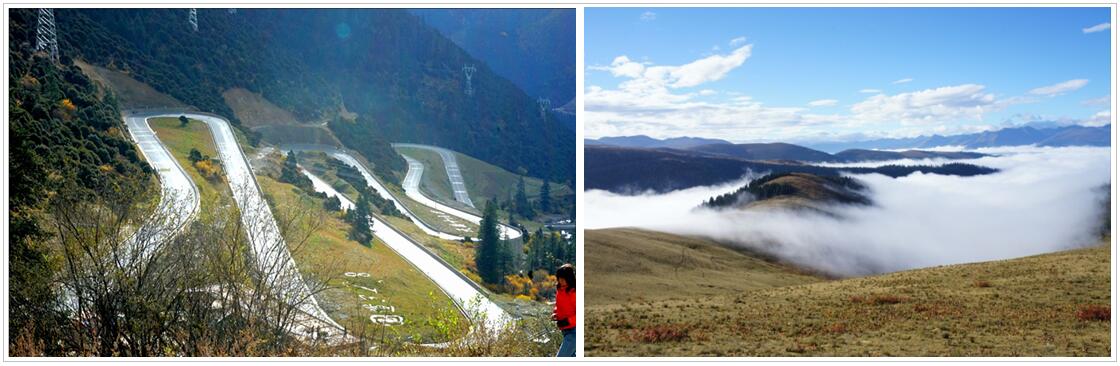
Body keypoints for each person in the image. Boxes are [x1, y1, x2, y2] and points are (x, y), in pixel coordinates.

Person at [553, 263, 576, 357]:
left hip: (574, 332)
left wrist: (567, 321)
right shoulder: (560, 290)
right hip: (565, 331)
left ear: (569, 278)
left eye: (563, 278)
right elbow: (558, 306)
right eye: (559, 278)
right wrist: (555, 314)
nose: (560, 280)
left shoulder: (574, 292)